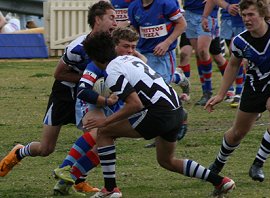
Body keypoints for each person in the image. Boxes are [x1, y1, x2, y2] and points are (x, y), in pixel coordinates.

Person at [68, 31, 235, 198]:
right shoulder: (132, 59)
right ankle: (220, 181)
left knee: (104, 132)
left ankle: (110, 189)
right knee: (166, 161)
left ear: (93, 57)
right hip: (177, 111)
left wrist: (105, 121)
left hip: (158, 114)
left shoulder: (112, 71)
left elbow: (134, 104)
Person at [0, 1, 117, 195]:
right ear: (98, 19)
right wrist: (89, 79)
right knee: (46, 148)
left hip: (87, 97)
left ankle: (77, 179)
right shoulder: (77, 48)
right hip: (64, 95)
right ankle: (19, 152)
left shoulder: (113, 44)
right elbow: (59, 74)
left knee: (100, 137)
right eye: (111, 17)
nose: (116, 21)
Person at [205, 0, 270, 182]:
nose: (247, 19)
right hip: (254, 88)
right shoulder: (240, 41)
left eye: (251, 15)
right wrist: (220, 94)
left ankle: (258, 164)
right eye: (244, 15)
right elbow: (233, 65)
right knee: (237, 133)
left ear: (263, 14)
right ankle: (218, 163)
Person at [52, 27, 146, 196]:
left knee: (102, 147)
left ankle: (65, 181)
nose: (131, 51)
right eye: (126, 46)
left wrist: (139, 57)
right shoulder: (97, 63)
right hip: (92, 103)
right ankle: (64, 167)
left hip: (111, 105)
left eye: (134, 47)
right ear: (114, 46)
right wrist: (105, 100)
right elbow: (82, 90)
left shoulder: (126, 62)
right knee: (99, 133)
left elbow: (143, 67)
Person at [128, 0, 189, 148]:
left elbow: (182, 24)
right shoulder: (134, 7)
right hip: (143, 53)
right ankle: (179, 77)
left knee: (160, 92)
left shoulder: (166, 3)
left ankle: (181, 118)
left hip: (163, 54)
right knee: (146, 91)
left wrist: (167, 42)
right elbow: (135, 30)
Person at [183, 0, 233, 106]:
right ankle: (205, 91)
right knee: (199, 54)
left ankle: (210, 91)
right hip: (190, 14)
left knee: (203, 51)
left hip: (208, 14)